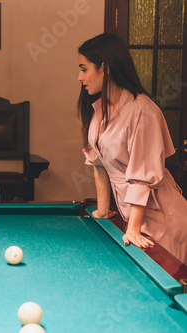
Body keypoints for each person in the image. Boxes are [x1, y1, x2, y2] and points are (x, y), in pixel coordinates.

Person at [77, 33, 187, 265]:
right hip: (135, 216)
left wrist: (134, 228)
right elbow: (99, 166)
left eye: (84, 69)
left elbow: (142, 177)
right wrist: (103, 210)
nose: (80, 77)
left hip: (161, 219)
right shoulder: (99, 109)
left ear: (104, 68)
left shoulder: (142, 110)